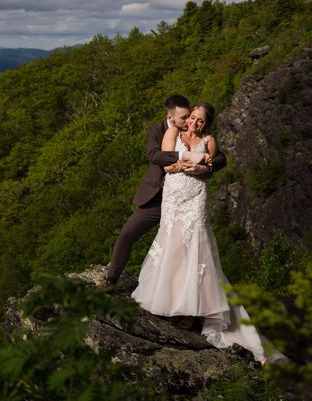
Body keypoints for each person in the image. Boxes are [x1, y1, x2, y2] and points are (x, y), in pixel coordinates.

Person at [131, 103, 282, 364]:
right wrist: (185, 164)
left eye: (200, 120)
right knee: (172, 246)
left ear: (206, 123)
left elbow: (212, 168)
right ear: (186, 116)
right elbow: (166, 167)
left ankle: (192, 311)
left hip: (195, 197)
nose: (194, 123)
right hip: (174, 196)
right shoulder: (173, 134)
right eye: (192, 117)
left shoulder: (209, 140)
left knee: (196, 250)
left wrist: (202, 169)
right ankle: (169, 301)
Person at [101, 95, 226, 287]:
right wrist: (186, 156)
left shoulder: (200, 135)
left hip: (189, 200)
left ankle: (184, 296)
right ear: (171, 116)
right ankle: (111, 279)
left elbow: (220, 158)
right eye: (185, 117)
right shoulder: (157, 131)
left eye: (191, 117)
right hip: (156, 198)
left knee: (184, 251)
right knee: (127, 235)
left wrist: (206, 167)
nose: (188, 122)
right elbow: (155, 156)